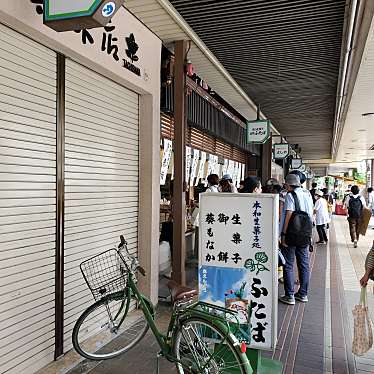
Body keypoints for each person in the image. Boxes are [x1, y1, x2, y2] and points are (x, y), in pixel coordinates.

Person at [279, 174, 313, 305]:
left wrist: (283, 234)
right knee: (304, 264)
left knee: (288, 264)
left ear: (288, 185)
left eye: (285, 185)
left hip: (292, 233)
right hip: (305, 233)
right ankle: (303, 294)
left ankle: (290, 295)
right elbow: (310, 215)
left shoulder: (290, 195)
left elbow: (288, 214)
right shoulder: (307, 194)